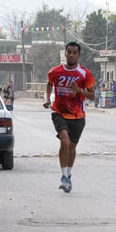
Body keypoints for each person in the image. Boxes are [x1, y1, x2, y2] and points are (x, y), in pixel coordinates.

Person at [43, 41, 95, 193]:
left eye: (74, 52)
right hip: (59, 111)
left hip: (78, 115)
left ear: (79, 55)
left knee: (72, 147)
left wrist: (80, 91)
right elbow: (49, 83)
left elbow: (92, 95)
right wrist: (47, 99)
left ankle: (69, 174)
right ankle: (63, 176)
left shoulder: (85, 73)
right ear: (65, 53)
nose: (71, 55)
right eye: (69, 52)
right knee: (64, 141)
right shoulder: (55, 71)